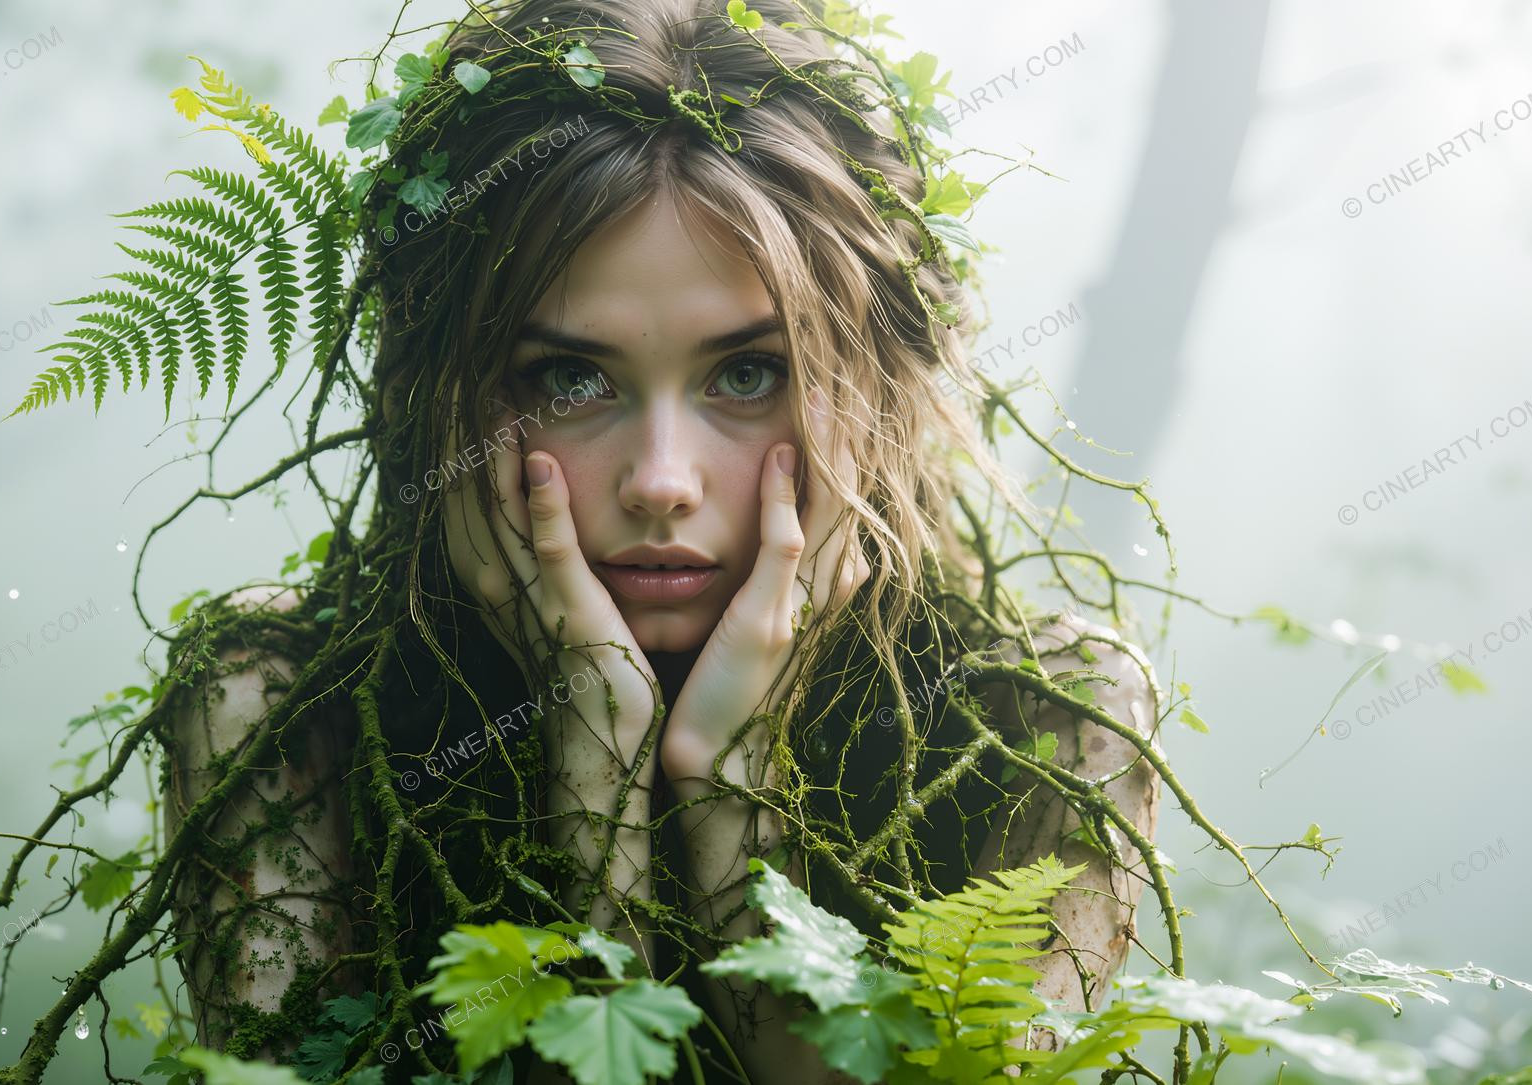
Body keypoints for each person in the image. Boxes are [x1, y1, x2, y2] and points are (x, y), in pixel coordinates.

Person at [163, 1, 1162, 1080]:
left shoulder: (1049, 713)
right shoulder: (275, 705)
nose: (661, 483)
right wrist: (594, 784)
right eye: (570, 377)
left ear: (875, 388)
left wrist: (735, 795)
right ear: (439, 399)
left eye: (746, 374)